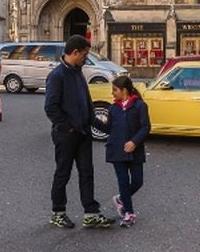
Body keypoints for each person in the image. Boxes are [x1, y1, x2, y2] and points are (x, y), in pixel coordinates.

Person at [44, 35, 110, 229]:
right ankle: (58, 212)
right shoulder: (57, 76)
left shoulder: (78, 72)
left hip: (83, 132)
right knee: (63, 173)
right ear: (74, 52)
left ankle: (91, 213)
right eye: (84, 54)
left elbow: (87, 106)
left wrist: (106, 128)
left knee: (87, 172)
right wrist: (68, 127)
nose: (85, 58)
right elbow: (51, 108)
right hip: (66, 134)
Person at [105, 74, 150, 226]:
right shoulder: (113, 108)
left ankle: (121, 199)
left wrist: (134, 142)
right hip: (117, 150)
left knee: (138, 181)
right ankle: (129, 213)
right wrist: (91, 120)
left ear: (124, 90)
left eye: (115, 90)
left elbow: (145, 127)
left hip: (135, 151)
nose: (113, 93)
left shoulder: (140, 106)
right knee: (123, 182)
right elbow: (108, 128)